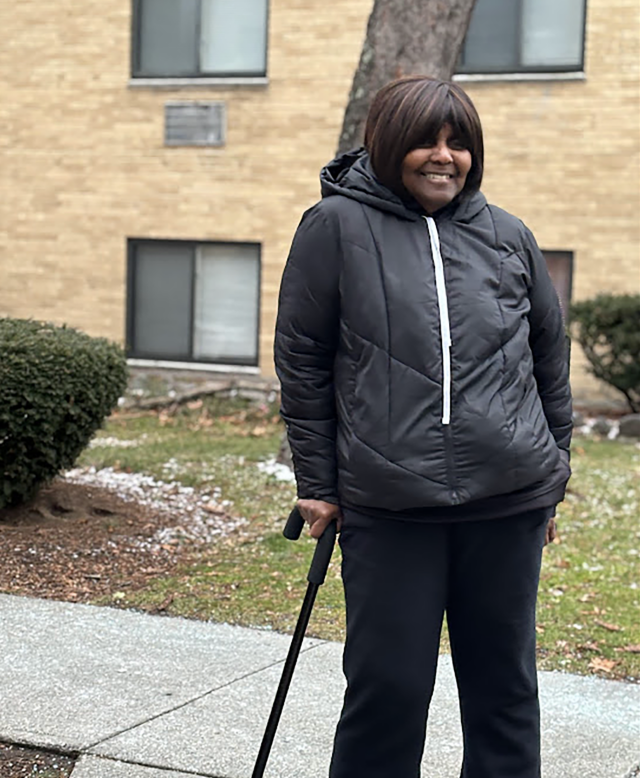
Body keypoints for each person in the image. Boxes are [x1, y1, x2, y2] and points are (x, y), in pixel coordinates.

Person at [274, 75, 572, 778]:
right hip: (389, 508)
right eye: (426, 141)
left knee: (504, 691)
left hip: (507, 502)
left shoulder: (508, 236)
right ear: (388, 144)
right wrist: (317, 484)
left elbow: (548, 359)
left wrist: (552, 476)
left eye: (459, 142)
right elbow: (303, 359)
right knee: (389, 692)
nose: (444, 157)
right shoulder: (336, 227)